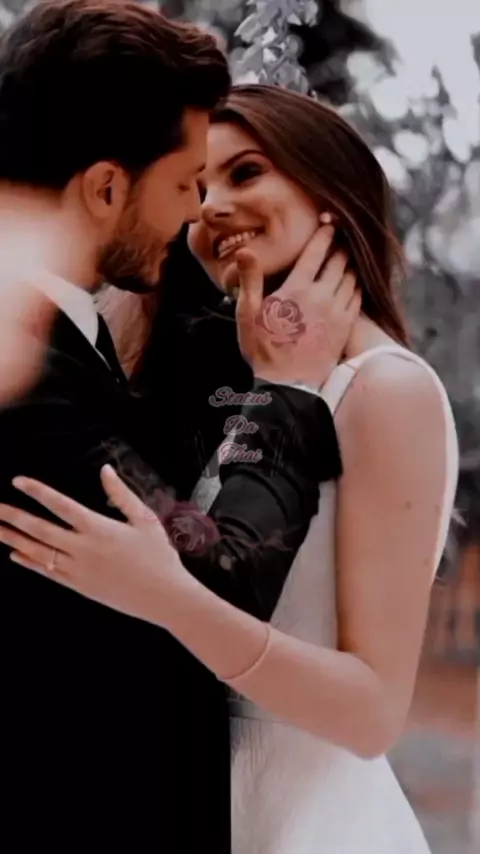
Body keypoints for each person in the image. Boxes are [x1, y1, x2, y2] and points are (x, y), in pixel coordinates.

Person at [0, 84, 460, 854]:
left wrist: (167, 597)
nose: (211, 207)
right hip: (208, 807)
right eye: (198, 188)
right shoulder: (252, 391)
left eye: (245, 173)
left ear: (331, 191)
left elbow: (372, 713)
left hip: (310, 823)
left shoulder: (387, 390)